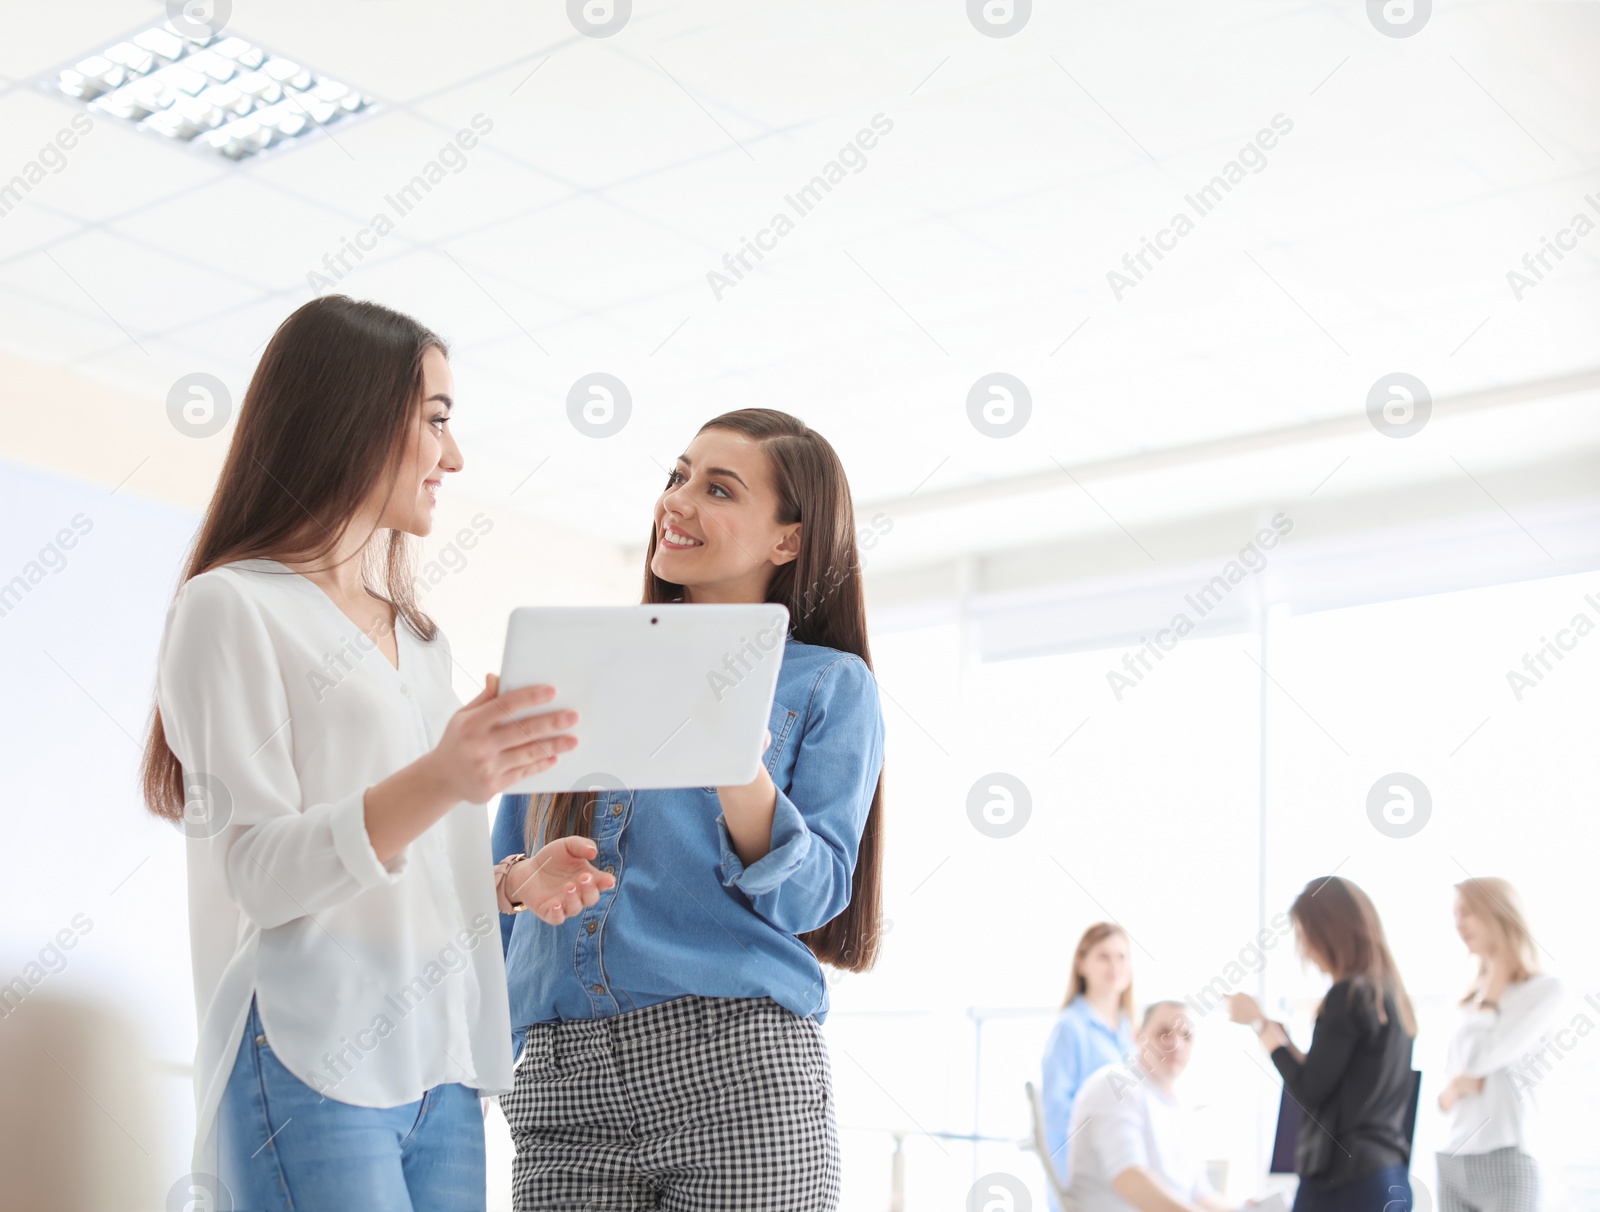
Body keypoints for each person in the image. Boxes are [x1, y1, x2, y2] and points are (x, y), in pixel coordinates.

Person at [145, 296, 613, 1211]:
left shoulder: (420, 640)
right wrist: (444, 775)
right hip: (309, 1047)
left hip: (441, 1063)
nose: (455, 456)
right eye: (437, 419)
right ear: (351, 416)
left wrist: (508, 884)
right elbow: (260, 874)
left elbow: (402, 871)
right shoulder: (230, 606)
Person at [491, 408, 886, 1211]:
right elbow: (496, 887)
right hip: (562, 1087)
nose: (676, 501)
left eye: (718, 488)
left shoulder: (825, 686)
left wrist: (733, 758)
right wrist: (515, 889)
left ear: (788, 540)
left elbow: (814, 897)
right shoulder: (578, 666)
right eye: (676, 477)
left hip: (735, 1069)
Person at [1230, 877, 1416, 1212]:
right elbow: (1336, 1079)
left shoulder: (1347, 995)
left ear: (1328, 934)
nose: (1305, 950)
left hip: (1344, 1181)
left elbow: (1310, 1089)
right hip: (1389, 1175)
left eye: (1305, 936)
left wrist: (1260, 1027)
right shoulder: (1390, 998)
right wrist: (1279, 1037)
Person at [1436, 877, 1563, 1212]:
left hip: (1507, 1156)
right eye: (1455, 916)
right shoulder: (1467, 1000)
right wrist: (1455, 1087)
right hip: (1451, 1156)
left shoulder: (1543, 991)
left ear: (1497, 912)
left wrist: (1492, 993)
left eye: (1467, 912)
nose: (1458, 924)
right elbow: (1449, 1082)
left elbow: (1477, 1059)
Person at [1064, 1001, 1237, 1212]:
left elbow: (1199, 1194)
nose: (1176, 1044)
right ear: (1137, 1036)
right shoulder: (1116, 1085)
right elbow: (1130, 1180)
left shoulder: (1177, 1104)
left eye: (1186, 1036)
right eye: (1163, 1033)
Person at [1041, 923, 1138, 1192]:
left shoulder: (1128, 1031)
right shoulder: (1070, 1029)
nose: (1115, 966)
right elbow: (1056, 1115)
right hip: (1086, 1179)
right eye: (1103, 956)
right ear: (1081, 965)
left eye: (1122, 956)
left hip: (1123, 1167)